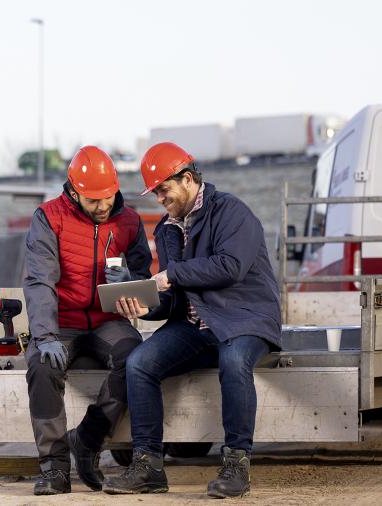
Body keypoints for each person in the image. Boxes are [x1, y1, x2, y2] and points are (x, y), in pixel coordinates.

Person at [101, 142, 282, 498]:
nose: (160, 199)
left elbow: (230, 266)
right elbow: (174, 296)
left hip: (243, 318)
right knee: (139, 363)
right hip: (195, 326)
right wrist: (146, 307)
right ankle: (148, 466)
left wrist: (171, 275)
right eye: (155, 193)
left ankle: (236, 464)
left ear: (187, 179)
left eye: (163, 189)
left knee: (234, 360)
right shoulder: (167, 229)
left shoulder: (231, 211)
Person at [23, 145, 153, 495]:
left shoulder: (129, 221)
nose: (103, 206)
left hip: (107, 321)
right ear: (73, 192)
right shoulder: (49, 218)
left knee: (136, 359)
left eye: (108, 197)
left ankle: (88, 438)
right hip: (61, 322)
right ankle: (54, 469)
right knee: (41, 367)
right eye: (94, 200)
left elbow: (145, 276)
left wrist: (130, 279)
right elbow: (39, 281)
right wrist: (44, 335)